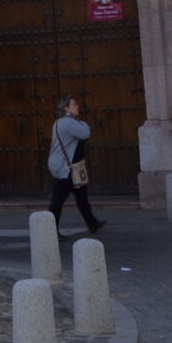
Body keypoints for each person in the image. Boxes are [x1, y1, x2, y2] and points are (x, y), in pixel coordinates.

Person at [46, 95, 104, 237]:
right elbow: (85, 133)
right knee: (57, 201)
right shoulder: (68, 123)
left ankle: (92, 223)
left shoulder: (61, 122)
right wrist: (83, 122)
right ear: (66, 108)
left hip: (72, 167)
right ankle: (50, 232)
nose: (77, 106)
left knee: (81, 195)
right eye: (74, 104)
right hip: (65, 168)